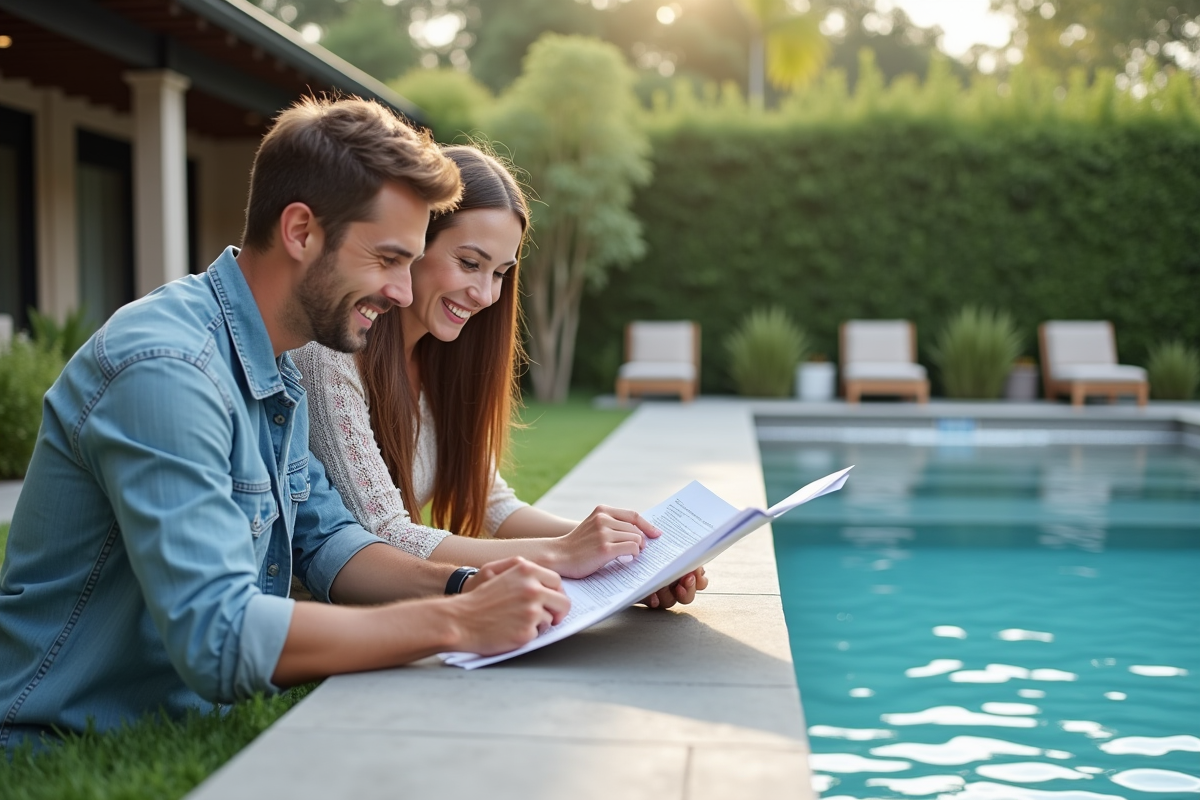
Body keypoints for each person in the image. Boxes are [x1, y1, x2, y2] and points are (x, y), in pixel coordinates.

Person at [0, 97, 581, 750]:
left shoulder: (277, 355)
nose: (402, 291)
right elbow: (218, 637)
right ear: (301, 231)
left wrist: (464, 583)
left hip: (176, 716)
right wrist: (455, 622)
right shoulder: (166, 367)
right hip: (60, 729)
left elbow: (328, 541)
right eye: (388, 259)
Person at [293, 146, 707, 607]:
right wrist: (564, 553)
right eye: (470, 263)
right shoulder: (331, 354)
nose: (486, 294)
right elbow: (384, 534)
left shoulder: (440, 360)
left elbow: (495, 505)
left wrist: (631, 554)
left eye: (501, 273)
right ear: (412, 242)